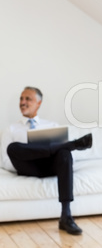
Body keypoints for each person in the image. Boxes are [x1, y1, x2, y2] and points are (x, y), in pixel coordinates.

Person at [0, 86, 93, 235]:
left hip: (50, 166)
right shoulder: (11, 129)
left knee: (64, 153)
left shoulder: (52, 126)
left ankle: (66, 216)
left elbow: (66, 161)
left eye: (28, 99)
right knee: (13, 147)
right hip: (28, 167)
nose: (23, 102)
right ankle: (74, 144)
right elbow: (5, 161)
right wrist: (31, 155)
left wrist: (48, 153)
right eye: (21, 99)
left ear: (38, 103)